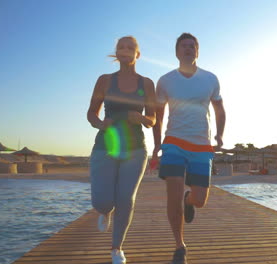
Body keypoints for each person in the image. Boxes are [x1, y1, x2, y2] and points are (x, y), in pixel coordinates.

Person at [152, 33, 226, 264]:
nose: (188, 49)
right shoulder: (165, 81)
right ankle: (179, 245)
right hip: (174, 142)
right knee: (172, 196)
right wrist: (157, 144)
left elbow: (220, 109)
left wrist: (220, 135)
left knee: (201, 199)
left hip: (202, 145)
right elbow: (158, 114)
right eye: (183, 46)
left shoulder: (210, 79)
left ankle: (189, 199)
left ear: (197, 51)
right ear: (176, 52)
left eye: (192, 46)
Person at [87, 36, 156, 264]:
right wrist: (100, 123)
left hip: (136, 148)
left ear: (138, 54)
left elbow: (153, 118)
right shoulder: (105, 80)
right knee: (103, 202)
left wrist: (142, 118)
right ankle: (104, 211)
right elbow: (91, 114)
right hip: (106, 146)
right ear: (116, 53)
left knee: (126, 198)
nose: (125, 50)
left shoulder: (146, 83)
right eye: (121, 47)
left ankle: (117, 248)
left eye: (130, 48)